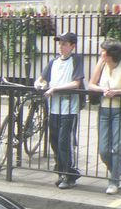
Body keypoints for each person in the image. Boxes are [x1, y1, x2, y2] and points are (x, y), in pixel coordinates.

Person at [87, 38, 121, 195]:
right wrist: (102, 89)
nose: (101, 53)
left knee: (117, 147)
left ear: (111, 55)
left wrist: (118, 92)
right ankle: (117, 170)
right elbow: (91, 84)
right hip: (104, 110)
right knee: (103, 150)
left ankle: (114, 181)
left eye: (104, 51)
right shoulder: (101, 63)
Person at [34, 32, 85, 190]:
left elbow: (76, 83)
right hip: (54, 108)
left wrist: (55, 88)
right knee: (54, 141)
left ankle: (69, 175)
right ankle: (62, 172)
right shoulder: (53, 62)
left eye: (64, 44)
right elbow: (40, 79)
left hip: (69, 108)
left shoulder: (76, 60)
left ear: (72, 46)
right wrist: (39, 84)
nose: (61, 46)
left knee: (64, 141)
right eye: (60, 43)